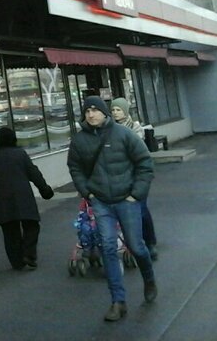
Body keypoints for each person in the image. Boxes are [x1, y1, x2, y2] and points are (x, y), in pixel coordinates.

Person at [68, 97, 157, 322]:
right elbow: (75, 167)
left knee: (136, 246)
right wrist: (87, 193)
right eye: (87, 111)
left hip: (127, 200)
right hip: (100, 202)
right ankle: (118, 301)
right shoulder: (79, 140)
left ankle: (149, 279)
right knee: (107, 247)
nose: (91, 114)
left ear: (104, 112)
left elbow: (145, 163)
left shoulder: (123, 134)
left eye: (95, 110)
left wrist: (135, 194)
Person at [0, 126, 54, 271]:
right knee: (31, 226)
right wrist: (45, 190)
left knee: (10, 232)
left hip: (3, 200)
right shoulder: (20, 154)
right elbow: (34, 173)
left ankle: (17, 261)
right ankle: (29, 254)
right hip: (24, 197)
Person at [111, 97, 158, 260]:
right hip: (118, 177)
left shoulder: (135, 128)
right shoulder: (108, 129)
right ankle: (130, 244)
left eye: (118, 110)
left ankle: (150, 242)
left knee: (141, 210)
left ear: (125, 111)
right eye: (113, 110)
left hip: (137, 176)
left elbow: (136, 152)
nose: (115, 113)